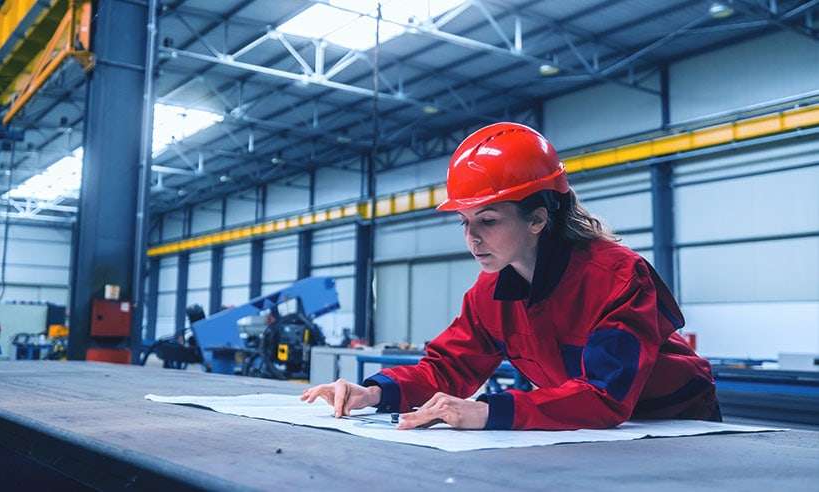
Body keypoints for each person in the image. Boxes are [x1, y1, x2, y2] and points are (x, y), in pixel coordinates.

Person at [301, 123, 720, 430]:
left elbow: (606, 395)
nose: (472, 238)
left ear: (538, 219)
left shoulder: (616, 277)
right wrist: (373, 393)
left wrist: (489, 410)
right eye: (464, 222)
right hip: (590, 429)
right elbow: (447, 367)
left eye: (487, 220)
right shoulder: (490, 293)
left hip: (677, 423)